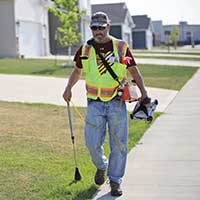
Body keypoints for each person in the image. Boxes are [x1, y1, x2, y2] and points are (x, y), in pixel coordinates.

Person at [63, 11, 148, 197]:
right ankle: (102, 165)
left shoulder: (120, 47)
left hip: (117, 103)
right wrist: (68, 87)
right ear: (91, 28)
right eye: (94, 28)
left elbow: (134, 70)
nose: (97, 31)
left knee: (119, 144)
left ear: (108, 27)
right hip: (94, 103)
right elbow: (77, 71)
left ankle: (116, 181)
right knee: (92, 143)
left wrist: (144, 94)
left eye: (101, 28)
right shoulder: (85, 49)